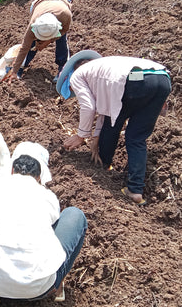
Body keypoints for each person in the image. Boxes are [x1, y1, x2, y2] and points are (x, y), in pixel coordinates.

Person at [0, 142, 87, 306]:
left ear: (12, 170)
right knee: (75, 215)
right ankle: (55, 289)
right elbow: (54, 223)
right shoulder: (47, 196)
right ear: (40, 177)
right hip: (39, 289)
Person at [56, 50, 171, 206]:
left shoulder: (78, 76)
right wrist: (95, 139)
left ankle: (103, 166)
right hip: (162, 78)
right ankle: (135, 190)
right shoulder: (102, 67)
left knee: (113, 125)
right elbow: (104, 112)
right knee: (136, 137)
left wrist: (81, 136)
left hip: (133, 82)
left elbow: (89, 108)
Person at [5, 0, 73, 82]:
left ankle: (62, 68)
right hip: (40, 3)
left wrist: (47, 42)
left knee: (62, 41)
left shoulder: (65, 15)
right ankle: (20, 68)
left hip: (60, 2)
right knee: (31, 44)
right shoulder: (33, 24)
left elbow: (62, 32)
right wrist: (14, 71)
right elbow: (24, 48)